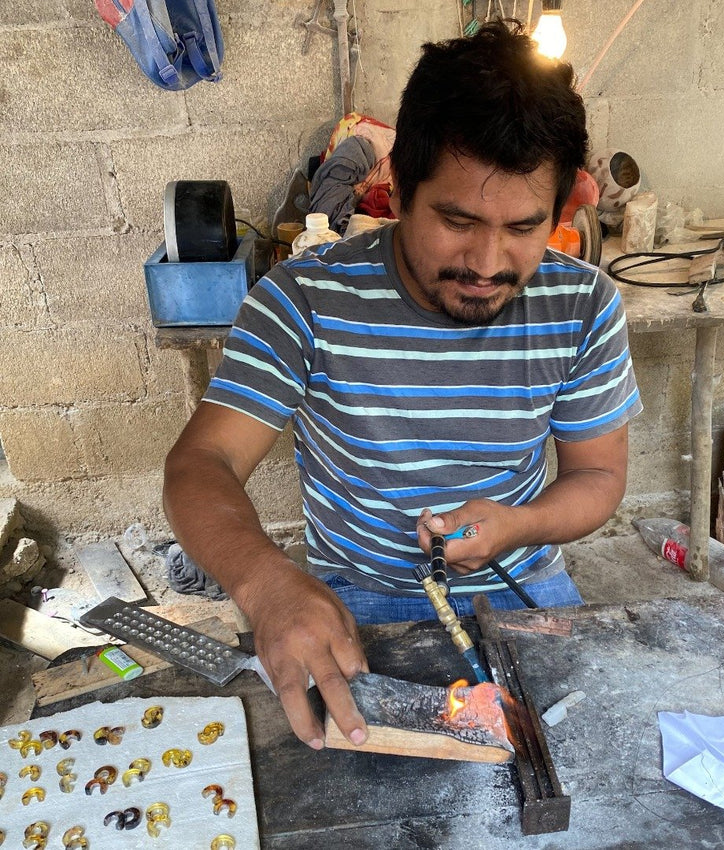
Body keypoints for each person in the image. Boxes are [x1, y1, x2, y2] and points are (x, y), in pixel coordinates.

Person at [163, 19, 641, 752]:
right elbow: (201, 465)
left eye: (523, 226)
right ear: (400, 189)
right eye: (457, 220)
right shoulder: (304, 301)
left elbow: (598, 473)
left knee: (585, 760)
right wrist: (266, 584)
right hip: (353, 597)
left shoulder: (581, 304)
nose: (488, 260)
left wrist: (519, 526)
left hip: (525, 582)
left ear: (560, 210)